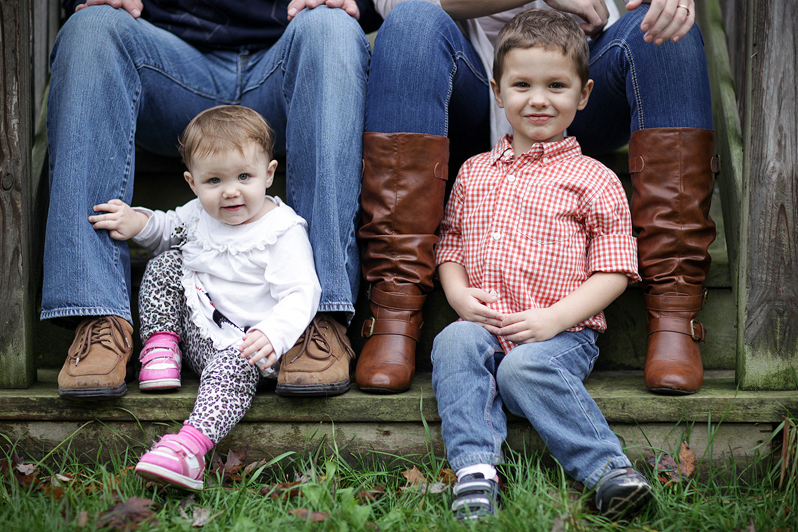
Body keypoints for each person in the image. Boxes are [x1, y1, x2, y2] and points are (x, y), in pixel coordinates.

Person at [359, 0, 716, 395]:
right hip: (467, 80)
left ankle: (674, 309)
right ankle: (394, 307)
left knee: (667, 27)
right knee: (411, 19)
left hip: (582, 68)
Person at [45, 0, 378, 399]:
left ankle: (317, 319)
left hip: (290, 55)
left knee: (331, 26)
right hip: (166, 58)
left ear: (267, 174)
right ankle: (99, 316)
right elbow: (171, 226)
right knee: (92, 25)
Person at [431, 9, 653, 521]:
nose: (538, 99)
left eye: (556, 85)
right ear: (497, 90)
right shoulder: (474, 172)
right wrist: (459, 296)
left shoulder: (593, 178)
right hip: (487, 322)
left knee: (524, 367)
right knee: (453, 341)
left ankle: (607, 471)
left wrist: (555, 319)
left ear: (585, 94)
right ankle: (475, 471)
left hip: (562, 333)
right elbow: (450, 243)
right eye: (522, 84)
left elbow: (615, 269)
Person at [89, 105, 325, 490]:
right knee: (166, 261)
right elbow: (167, 227)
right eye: (214, 180)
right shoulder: (198, 214)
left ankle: (188, 449)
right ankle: (162, 347)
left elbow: (302, 293)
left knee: (233, 365)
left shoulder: (282, 231)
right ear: (192, 183)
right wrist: (139, 222)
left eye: (244, 176)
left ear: (269, 174)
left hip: (250, 350)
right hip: (199, 336)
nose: (230, 191)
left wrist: (273, 334)